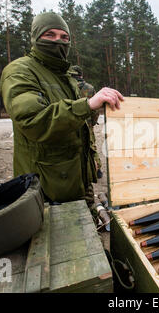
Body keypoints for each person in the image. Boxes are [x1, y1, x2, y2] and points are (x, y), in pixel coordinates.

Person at [0, 12, 123, 204]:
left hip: (77, 181)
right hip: (46, 187)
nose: (59, 41)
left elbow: (81, 127)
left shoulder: (65, 76)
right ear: (35, 37)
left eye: (64, 37)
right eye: (50, 35)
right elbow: (34, 121)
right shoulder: (20, 71)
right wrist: (88, 104)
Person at [68, 65, 102, 215]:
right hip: (86, 125)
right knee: (90, 149)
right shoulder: (88, 87)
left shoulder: (66, 84)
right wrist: (92, 124)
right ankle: (96, 170)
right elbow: (95, 110)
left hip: (69, 124)